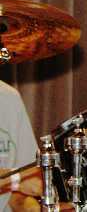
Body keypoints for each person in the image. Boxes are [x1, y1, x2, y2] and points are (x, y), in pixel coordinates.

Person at [0, 81, 41, 212]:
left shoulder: (9, 97)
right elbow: (21, 181)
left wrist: (28, 206)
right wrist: (15, 180)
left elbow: (27, 182)